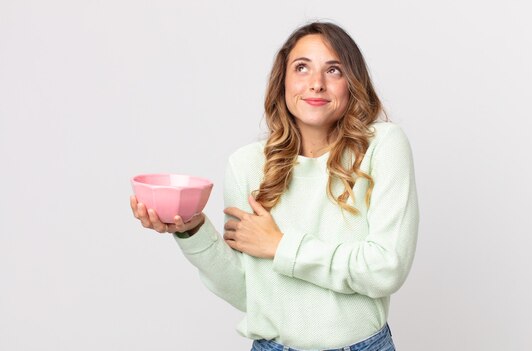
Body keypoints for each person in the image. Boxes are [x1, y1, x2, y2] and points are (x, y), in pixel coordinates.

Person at [130, 21, 418, 351]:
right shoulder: (247, 166)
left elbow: (385, 269)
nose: (317, 84)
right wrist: (192, 231)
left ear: (352, 82)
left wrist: (280, 245)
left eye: (334, 70)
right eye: (302, 68)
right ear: (283, 81)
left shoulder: (383, 146)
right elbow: (247, 291)